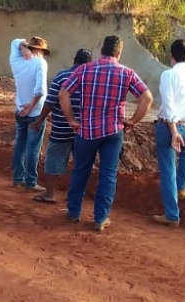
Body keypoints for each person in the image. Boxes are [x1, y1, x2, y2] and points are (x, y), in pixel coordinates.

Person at [60, 35, 153, 232]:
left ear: (102, 50)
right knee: (108, 175)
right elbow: (147, 98)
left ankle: (73, 212)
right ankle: (100, 218)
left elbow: (63, 93)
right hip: (113, 131)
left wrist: (71, 119)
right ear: (119, 53)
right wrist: (133, 121)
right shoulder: (127, 73)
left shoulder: (84, 69)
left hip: (86, 130)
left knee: (80, 171)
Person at [31, 48, 93, 204]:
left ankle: (50, 194)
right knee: (81, 163)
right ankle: (75, 196)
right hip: (83, 130)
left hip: (62, 128)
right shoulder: (92, 79)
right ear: (89, 63)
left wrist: (39, 121)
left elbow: (50, 101)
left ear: (74, 59)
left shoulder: (62, 76)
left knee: (53, 159)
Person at [152, 39, 185, 227]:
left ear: (171, 56)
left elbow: (169, 103)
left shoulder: (168, 75)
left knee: (168, 170)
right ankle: (182, 186)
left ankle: (172, 215)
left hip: (169, 127)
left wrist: (173, 131)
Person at [9, 37, 50, 192]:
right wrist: (31, 106)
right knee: (33, 148)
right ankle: (30, 181)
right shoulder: (40, 63)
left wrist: (22, 46)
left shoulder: (16, 61)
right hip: (35, 112)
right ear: (39, 50)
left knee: (20, 145)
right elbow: (40, 90)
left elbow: (13, 42)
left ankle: (17, 178)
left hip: (20, 110)